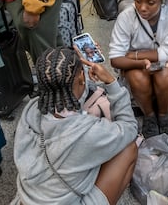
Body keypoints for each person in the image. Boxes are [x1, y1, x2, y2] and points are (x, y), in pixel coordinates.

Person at [12, 47, 138, 205]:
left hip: (30, 198)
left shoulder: (31, 110)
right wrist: (111, 82)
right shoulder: (88, 132)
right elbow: (130, 127)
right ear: (81, 79)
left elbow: (69, 98)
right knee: (129, 148)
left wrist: (82, 79)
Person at [108, 0, 168, 138]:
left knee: (165, 76)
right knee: (138, 79)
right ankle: (149, 116)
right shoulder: (126, 17)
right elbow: (115, 58)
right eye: (137, 0)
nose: (142, 8)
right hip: (136, 65)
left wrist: (135, 55)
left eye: (151, 2)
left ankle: (163, 116)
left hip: (148, 59)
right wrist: (141, 62)